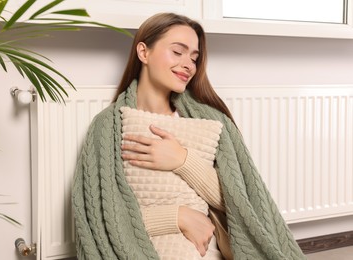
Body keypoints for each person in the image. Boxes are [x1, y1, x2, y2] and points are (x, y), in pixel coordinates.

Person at [72, 13, 306, 260]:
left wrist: (183, 161)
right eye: (177, 52)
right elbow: (97, 218)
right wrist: (176, 217)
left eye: (194, 58)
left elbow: (241, 205)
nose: (189, 65)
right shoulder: (107, 127)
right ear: (144, 52)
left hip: (206, 245)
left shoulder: (209, 120)